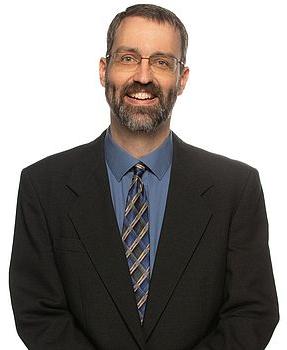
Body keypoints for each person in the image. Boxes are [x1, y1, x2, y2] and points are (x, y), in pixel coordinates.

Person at [9, 4, 279, 350]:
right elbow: (38, 311)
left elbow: (252, 312)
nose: (143, 76)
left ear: (182, 79)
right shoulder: (43, 186)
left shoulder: (236, 189)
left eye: (162, 62)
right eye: (128, 58)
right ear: (104, 70)